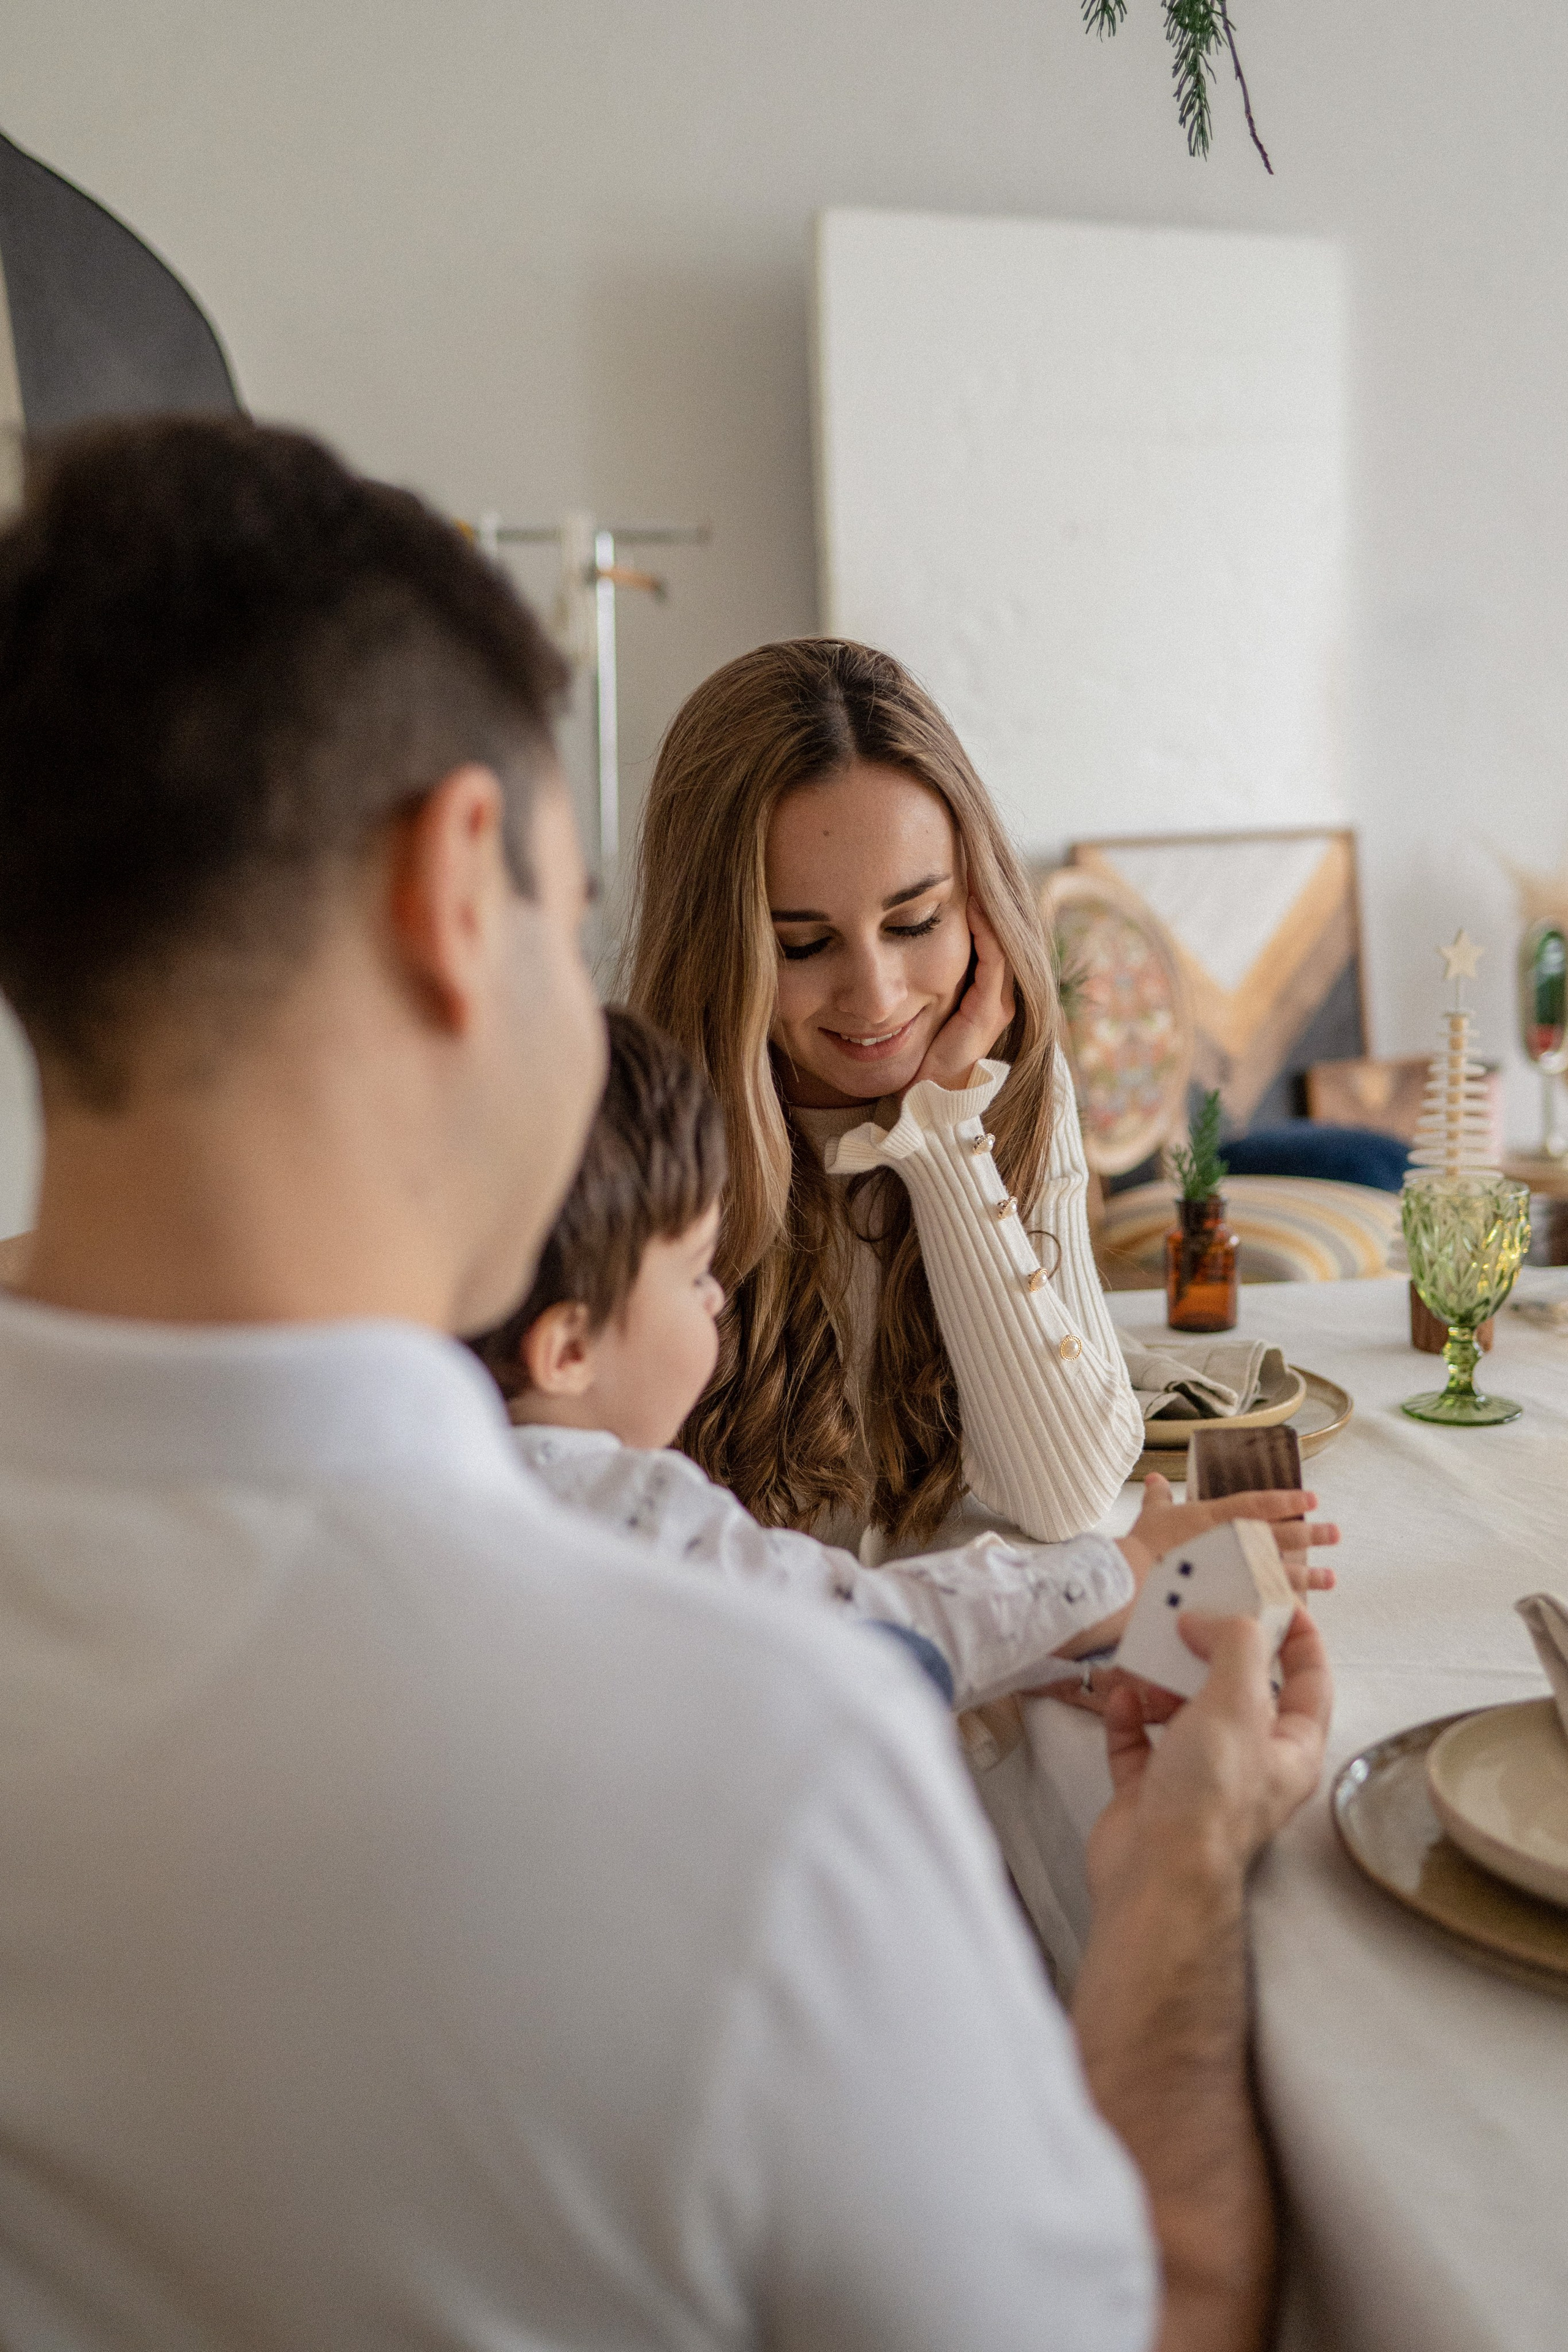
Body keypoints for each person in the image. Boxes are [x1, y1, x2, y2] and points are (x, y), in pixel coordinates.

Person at [0, 413, 1332, 2352]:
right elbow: (1142, 2324)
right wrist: (1185, 1883)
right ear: (461, 897)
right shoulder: (762, 1756)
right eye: (569, 918)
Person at [473, 1006, 1336, 1713]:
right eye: (695, 1273)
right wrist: (1124, 1568)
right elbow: (863, 1629)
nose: (715, 1300)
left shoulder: (454, 1476)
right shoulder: (631, 1513)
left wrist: (1055, 1652)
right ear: (569, 1348)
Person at [622, 636, 1148, 1562]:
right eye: (802, 945)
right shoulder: (633, 1134)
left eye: (915, 923)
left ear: (979, 900)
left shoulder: (1013, 1085)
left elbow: (1064, 1493)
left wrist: (945, 1136)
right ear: (721, 949)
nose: (876, 998)